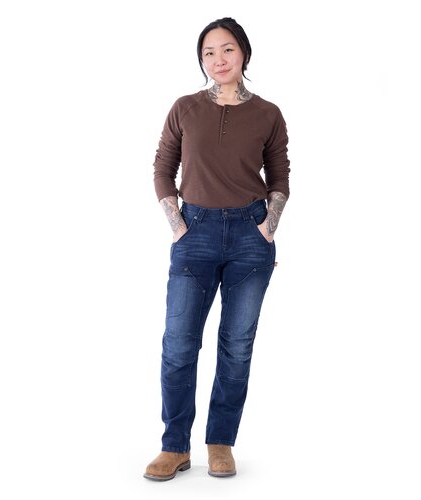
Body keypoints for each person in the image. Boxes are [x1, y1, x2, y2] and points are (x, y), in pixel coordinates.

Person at [144, 17, 290, 481]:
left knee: (237, 346)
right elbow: (163, 168)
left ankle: (221, 442)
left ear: (243, 52)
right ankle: (174, 446)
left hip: (250, 236)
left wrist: (268, 227)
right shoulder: (185, 108)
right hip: (196, 232)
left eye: (227, 49)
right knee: (178, 343)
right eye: (209, 52)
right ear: (201, 60)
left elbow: (280, 175)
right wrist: (178, 226)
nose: (218, 59)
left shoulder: (268, 113)